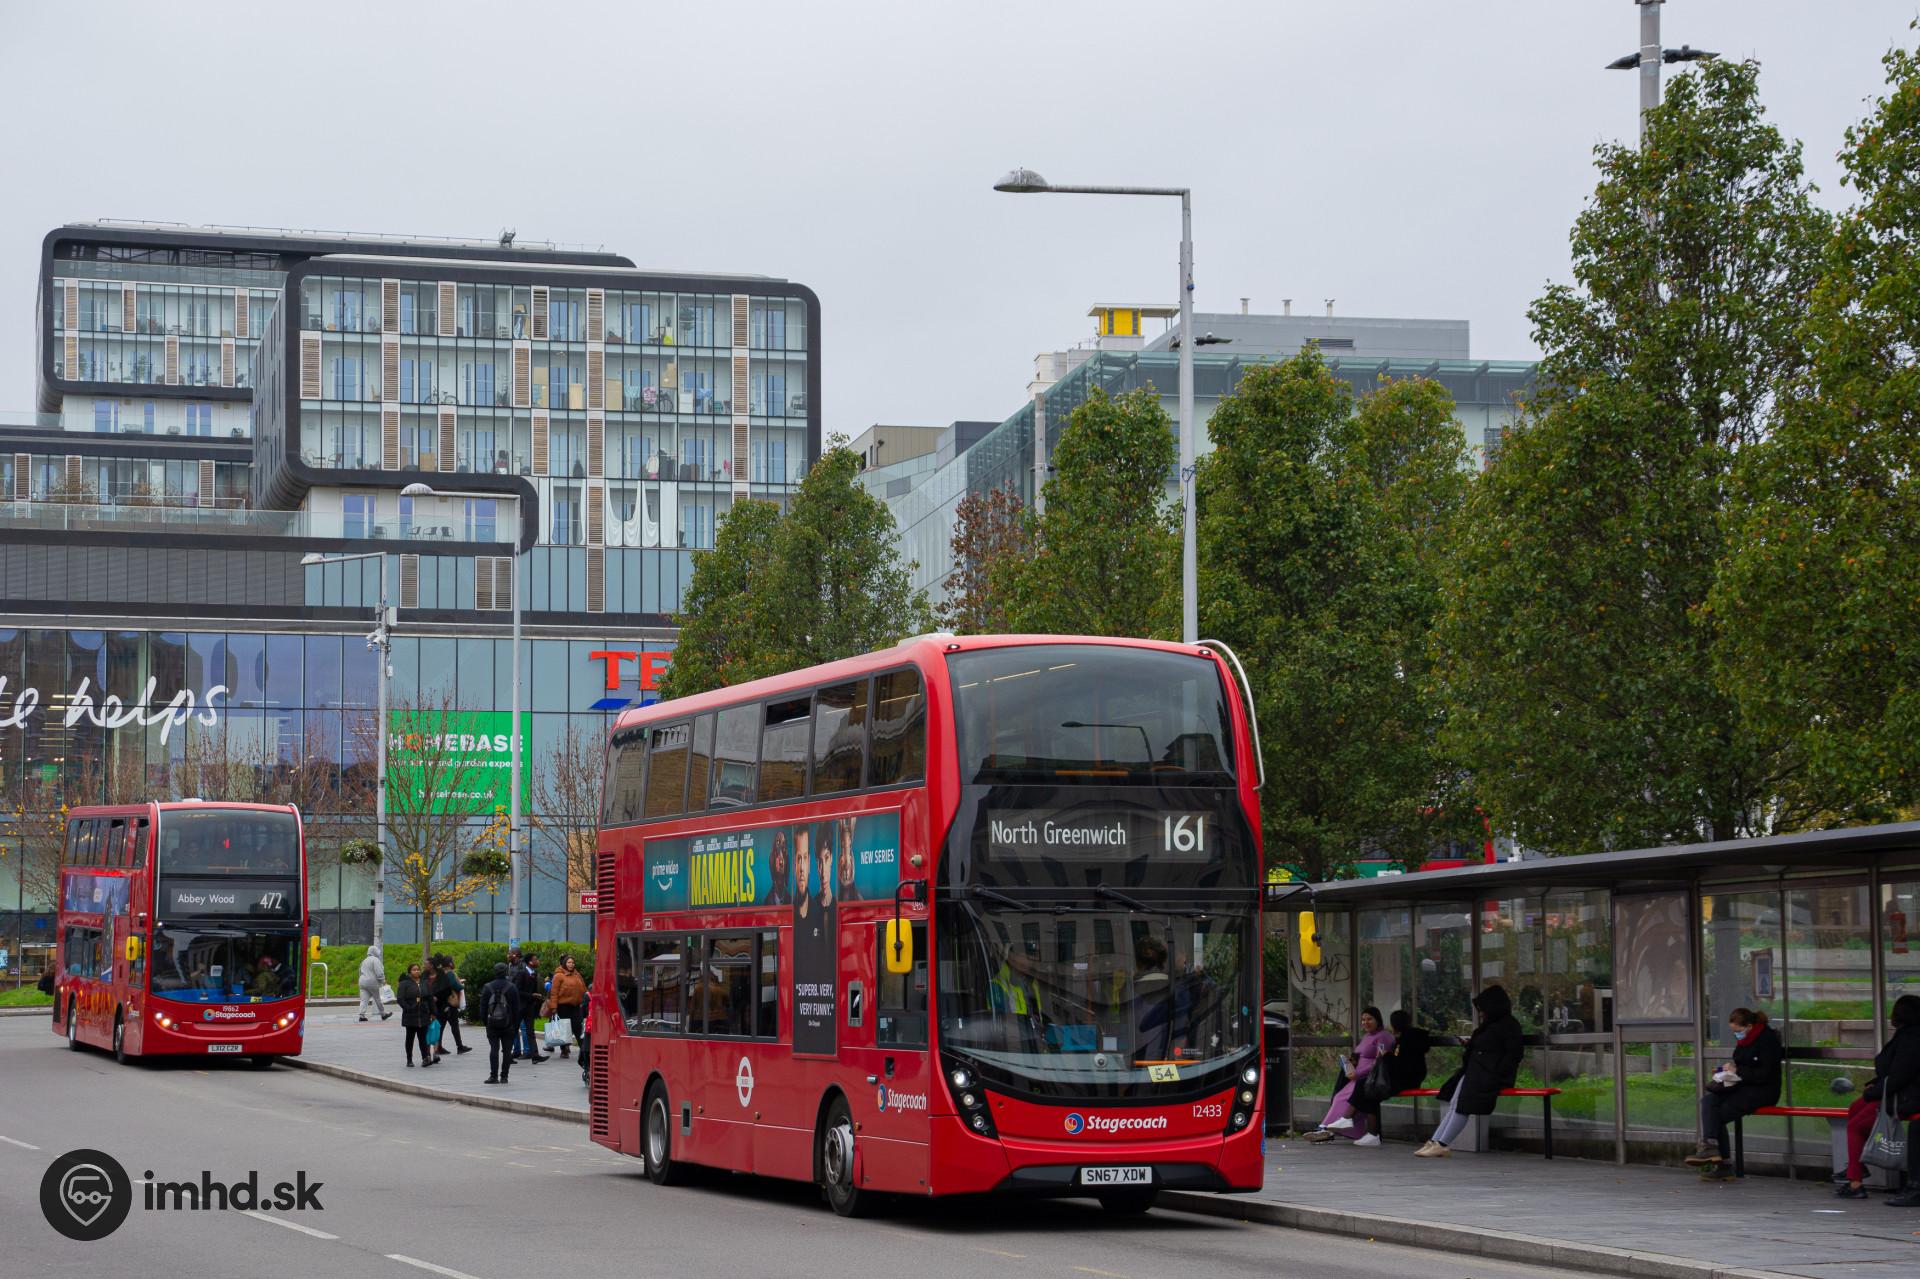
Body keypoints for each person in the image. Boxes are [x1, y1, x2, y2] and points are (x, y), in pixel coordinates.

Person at [1416, 985, 1524, 1157]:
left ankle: (1442, 1143)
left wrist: (1498, 1073)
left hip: (1487, 1074)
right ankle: (1435, 1141)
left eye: (1483, 1010)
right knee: (1455, 1105)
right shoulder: (1491, 1025)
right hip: (1475, 1071)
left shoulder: (1508, 1026)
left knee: (1462, 1107)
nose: (1481, 1014)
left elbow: (1514, 1053)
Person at [1684, 1007, 1785, 1179]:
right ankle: (1712, 1149)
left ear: (1750, 1026)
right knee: (1708, 1101)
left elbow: (1765, 1074)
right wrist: (1725, 1071)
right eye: (1734, 1032)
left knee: (1717, 1115)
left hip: (1762, 1091)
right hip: (1742, 1087)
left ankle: (1720, 1160)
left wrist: (1738, 1071)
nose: (1737, 1035)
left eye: (1738, 1031)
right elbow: (1741, 1065)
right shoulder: (1745, 1041)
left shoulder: (1767, 1041)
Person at [1836, 994, 1920, 1200]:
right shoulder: (1907, 1035)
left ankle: (1855, 1182)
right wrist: (1875, 1086)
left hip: (1907, 1097)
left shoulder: (1911, 1038)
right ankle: (1856, 1167)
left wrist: (1873, 1091)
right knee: (1856, 1107)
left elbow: (1899, 1075)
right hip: (1898, 1093)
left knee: (1856, 1125)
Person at [1304, 1007, 1395, 1143]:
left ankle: (1327, 1129)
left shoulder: (1383, 1036)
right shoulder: (1366, 1036)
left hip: (1369, 1078)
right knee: (1339, 1097)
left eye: (1369, 1019)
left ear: (1377, 1019)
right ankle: (1330, 1128)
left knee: (1343, 1099)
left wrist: (1358, 1073)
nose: (1366, 1022)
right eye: (1363, 1020)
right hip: (1356, 1077)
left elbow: (1379, 1061)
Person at [1349, 1010, 1432, 1146]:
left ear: (1394, 1024)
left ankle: (1368, 1131)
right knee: (1367, 1086)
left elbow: (1402, 1064)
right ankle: (1362, 1128)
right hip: (1409, 1078)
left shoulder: (1406, 1039)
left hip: (1405, 1080)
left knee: (1371, 1088)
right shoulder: (1412, 1037)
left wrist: (1386, 1056)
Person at [478, 962, 522, 1085]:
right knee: (507, 1051)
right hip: (508, 1025)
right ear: (506, 972)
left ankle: (493, 1076)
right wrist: (515, 1024)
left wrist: (486, 1023)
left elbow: (482, 1008)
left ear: (495, 972)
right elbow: (517, 1009)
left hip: (492, 1024)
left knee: (494, 1049)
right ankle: (504, 1077)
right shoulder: (512, 987)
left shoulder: (487, 987)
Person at [397, 962, 436, 1068]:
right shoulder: (404, 984)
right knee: (410, 1038)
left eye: (418, 969)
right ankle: (409, 1059)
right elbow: (400, 999)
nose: (417, 971)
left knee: (423, 1038)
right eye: (414, 970)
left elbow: (430, 999)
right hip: (410, 1015)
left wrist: (433, 1012)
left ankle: (425, 1058)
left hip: (423, 1015)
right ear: (410, 972)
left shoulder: (425, 983)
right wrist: (409, 1007)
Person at [548, 954, 587, 1060]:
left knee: (578, 1028)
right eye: (569, 962)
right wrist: (554, 1007)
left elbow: (584, 989)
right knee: (564, 1029)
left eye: (573, 963)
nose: (571, 964)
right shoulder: (559, 976)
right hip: (562, 1006)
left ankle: (584, 1050)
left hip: (575, 1006)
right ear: (564, 963)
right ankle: (564, 1050)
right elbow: (554, 993)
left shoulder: (577, 975)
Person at [430, 954, 470, 1058]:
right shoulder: (449, 973)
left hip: (441, 1003)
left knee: (441, 1026)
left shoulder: (439, 973)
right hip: (450, 1004)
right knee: (454, 1026)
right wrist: (462, 985)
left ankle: (439, 1047)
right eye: (452, 961)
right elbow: (454, 985)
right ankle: (459, 1046)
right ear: (450, 963)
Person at [511, 950, 547, 1063]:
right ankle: (507, 1054)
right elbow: (517, 990)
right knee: (513, 1030)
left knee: (530, 1031)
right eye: (536, 959)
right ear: (530, 962)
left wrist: (538, 997)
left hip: (530, 1007)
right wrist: (532, 995)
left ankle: (535, 1055)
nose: (538, 961)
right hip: (520, 1007)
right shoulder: (522, 973)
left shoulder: (534, 973)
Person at [357, 943, 392, 1021]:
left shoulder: (364, 960)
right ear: (375, 952)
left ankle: (361, 1015)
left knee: (364, 999)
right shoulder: (376, 960)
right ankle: (383, 1014)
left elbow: (359, 972)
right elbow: (379, 972)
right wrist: (383, 980)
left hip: (362, 982)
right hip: (373, 982)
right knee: (378, 998)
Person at [766, 831, 791, 906]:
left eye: (784, 844)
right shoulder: (767, 902)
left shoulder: (791, 900)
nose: (780, 856)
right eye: (778, 843)